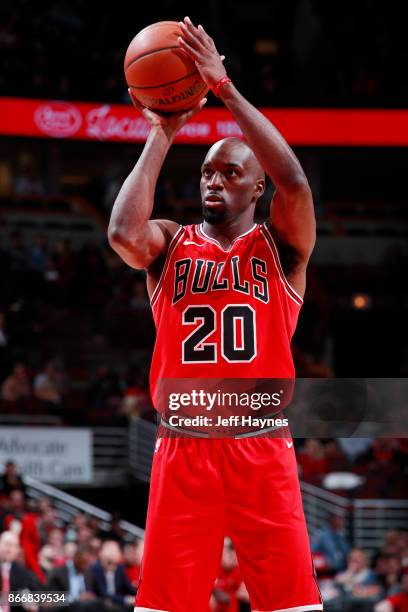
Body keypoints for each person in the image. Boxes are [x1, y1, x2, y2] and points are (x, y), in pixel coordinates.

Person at [108, 15, 321, 612]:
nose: (215, 181)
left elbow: (297, 183)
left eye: (231, 173)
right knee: (165, 605)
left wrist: (223, 89)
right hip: (185, 444)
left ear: (257, 189)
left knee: (292, 604)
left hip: (260, 441)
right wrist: (164, 131)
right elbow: (123, 232)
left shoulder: (280, 249)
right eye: (207, 172)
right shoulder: (170, 244)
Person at [0, 530, 41, 612]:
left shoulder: (25, 575)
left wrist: (32, 605)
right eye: (7, 544)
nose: (9, 549)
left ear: (18, 550)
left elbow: (36, 603)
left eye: (13, 546)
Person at [88, 540, 135, 610]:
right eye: (109, 551)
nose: (111, 555)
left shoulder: (120, 569)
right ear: (101, 554)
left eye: (114, 551)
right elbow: (103, 594)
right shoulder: (95, 569)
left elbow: (129, 589)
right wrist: (125, 599)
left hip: (118, 605)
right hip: (101, 605)